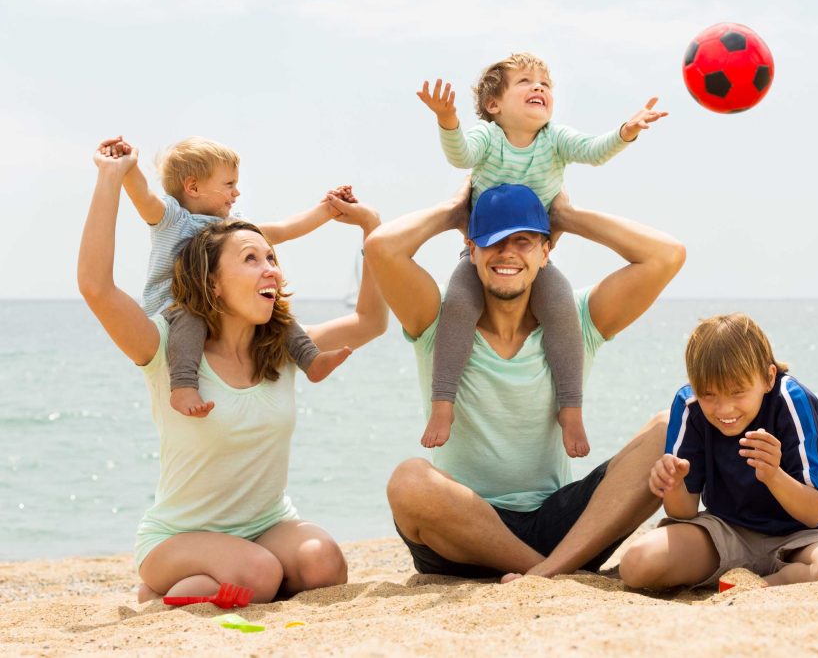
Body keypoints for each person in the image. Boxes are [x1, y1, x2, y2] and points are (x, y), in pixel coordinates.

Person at [78, 142, 388, 603]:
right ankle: (177, 580)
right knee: (258, 573)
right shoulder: (163, 346)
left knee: (324, 563)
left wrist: (371, 230)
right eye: (250, 259)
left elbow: (371, 322)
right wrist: (110, 177)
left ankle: (197, 588)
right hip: (176, 538)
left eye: (271, 259)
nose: (272, 272)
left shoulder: (280, 346)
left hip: (265, 526)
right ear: (213, 283)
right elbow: (97, 287)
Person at [363, 179, 686, 582]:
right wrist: (452, 210)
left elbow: (667, 255)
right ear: (472, 249)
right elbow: (381, 248)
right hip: (463, 533)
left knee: (670, 427)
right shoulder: (437, 320)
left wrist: (568, 215)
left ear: (546, 251)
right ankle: (545, 572)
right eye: (494, 242)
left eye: (524, 241)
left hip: (559, 527)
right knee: (409, 482)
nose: (508, 254)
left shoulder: (578, 319)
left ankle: (545, 570)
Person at [416, 52, 669, 457]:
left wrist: (626, 131)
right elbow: (460, 155)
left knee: (562, 309)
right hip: (483, 255)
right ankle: (443, 405)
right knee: (459, 306)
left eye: (545, 84)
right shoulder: (489, 138)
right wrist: (448, 120)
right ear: (494, 105)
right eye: (526, 82)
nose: (539, 88)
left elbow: (593, 151)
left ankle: (570, 409)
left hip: (535, 258)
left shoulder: (555, 138)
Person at [99, 135, 353, 419]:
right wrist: (128, 168)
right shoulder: (172, 219)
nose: (237, 193)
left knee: (274, 308)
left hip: (217, 307)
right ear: (193, 186)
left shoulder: (232, 228)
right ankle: (183, 386)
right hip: (175, 308)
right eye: (229, 184)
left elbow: (281, 230)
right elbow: (143, 197)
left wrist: (327, 210)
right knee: (189, 316)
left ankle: (311, 358)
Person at [618, 313, 818, 590]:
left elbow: (813, 514)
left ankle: (768, 582)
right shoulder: (689, 404)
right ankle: (745, 579)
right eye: (709, 394)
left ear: (768, 377)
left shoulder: (791, 400)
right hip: (729, 532)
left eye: (738, 392)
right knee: (636, 564)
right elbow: (684, 511)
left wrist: (773, 474)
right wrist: (674, 485)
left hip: (805, 536)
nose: (724, 409)